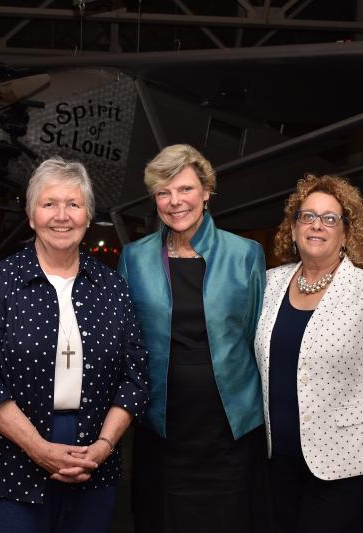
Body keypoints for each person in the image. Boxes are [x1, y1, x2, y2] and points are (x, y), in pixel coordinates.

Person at [0, 157, 149, 533]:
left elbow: (136, 377)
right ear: (31, 216)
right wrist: (38, 448)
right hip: (9, 462)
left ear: (88, 216)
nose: (61, 216)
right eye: (49, 204)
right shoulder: (0, 280)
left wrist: (104, 446)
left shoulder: (112, 287)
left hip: (92, 463)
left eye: (74, 204)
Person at [118, 144, 267, 533]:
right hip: (161, 429)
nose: (174, 201)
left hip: (229, 431)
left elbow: (255, 337)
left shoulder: (245, 254)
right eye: (164, 192)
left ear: (205, 191)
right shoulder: (134, 257)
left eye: (185, 189)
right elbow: (129, 344)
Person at [254, 173, 363, 533]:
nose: (316, 226)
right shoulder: (269, 284)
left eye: (329, 218)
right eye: (307, 216)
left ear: (346, 233)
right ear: (292, 230)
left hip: (344, 469)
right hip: (277, 465)